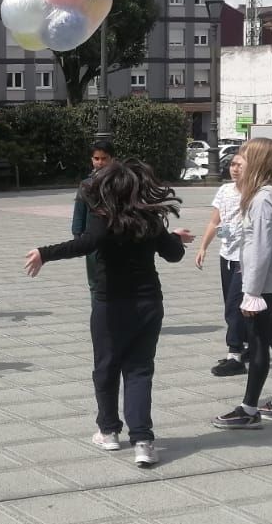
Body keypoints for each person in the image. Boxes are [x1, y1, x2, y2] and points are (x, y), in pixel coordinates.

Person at [25, 159, 192, 468]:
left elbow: (87, 243)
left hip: (110, 304)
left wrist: (44, 253)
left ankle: (109, 431)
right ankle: (143, 441)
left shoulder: (104, 218)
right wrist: (172, 238)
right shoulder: (150, 218)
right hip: (147, 305)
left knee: (106, 367)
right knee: (139, 370)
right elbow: (174, 255)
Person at [213, 137, 272, 429]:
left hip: (262, 283)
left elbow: (258, 248)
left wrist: (251, 292)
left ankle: (249, 409)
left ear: (258, 162)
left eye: (245, 157)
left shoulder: (262, 198)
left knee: (260, 343)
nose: (239, 162)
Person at [195, 150, 252, 376]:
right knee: (231, 302)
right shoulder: (224, 190)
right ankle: (248, 345)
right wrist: (203, 247)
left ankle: (235, 354)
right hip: (227, 255)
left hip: (245, 258)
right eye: (232, 165)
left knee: (234, 306)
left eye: (240, 165)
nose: (235, 168)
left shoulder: (254, 193)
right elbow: (214, 221)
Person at [72, 137, 114, 298]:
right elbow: (79, 212)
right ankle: (98, 313)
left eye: (104, 159)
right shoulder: (86, 185)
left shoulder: (120, 182)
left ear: (112, 160)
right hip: (92, 239)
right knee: (94, 281)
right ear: (91, 160)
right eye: (96, 158)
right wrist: (77, 236)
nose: (100, 162)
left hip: (114, 238)